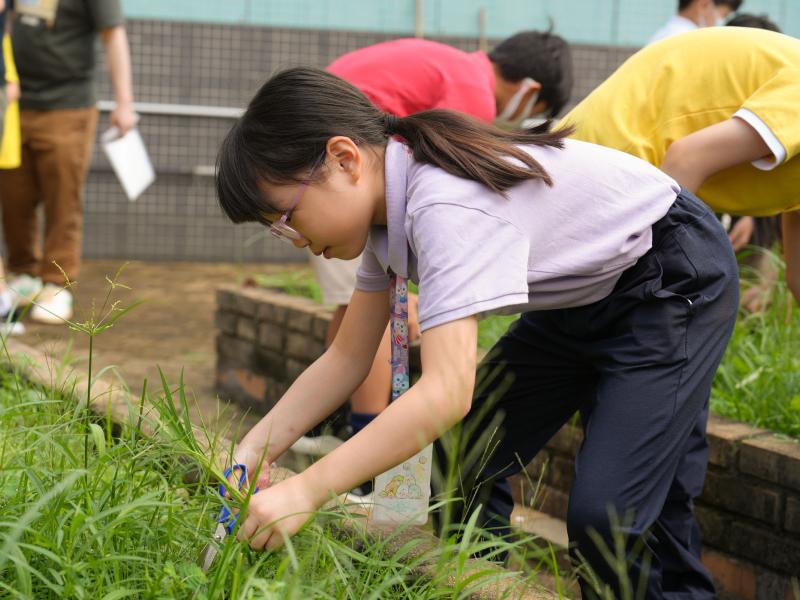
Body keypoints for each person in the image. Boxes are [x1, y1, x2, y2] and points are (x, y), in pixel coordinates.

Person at [215, 67, 738, 598]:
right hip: (587, 296)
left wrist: (307, 489)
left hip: (668, 280)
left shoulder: (442, 204)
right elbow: (347, 359)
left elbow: (446, 393)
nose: (292, 238)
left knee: (609, 519)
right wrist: (255, 447)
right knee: (467, 458)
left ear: (344, 158)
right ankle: (485, 587)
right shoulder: (383, 221)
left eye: (285, 216)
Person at [309, 32, 573, 455]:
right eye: (534, 112)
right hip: (334, 180)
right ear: (530, 90)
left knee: (352, 310)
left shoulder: (454, 64)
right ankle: (366, 450)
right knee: (376, 317)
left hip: (318, 161)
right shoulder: (473, 93)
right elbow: (448, 197)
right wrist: (416, 294)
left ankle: (338, 429)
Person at [560, 26, 800, 309]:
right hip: (616, 154)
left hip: (625, 172)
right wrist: (652, 283)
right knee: (695, 303)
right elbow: (687, 159)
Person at [0, 0, 137, 323]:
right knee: (12, 193)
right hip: (15, 101)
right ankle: (25, 273)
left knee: (62, 194)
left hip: (68, 103)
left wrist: (124, 103)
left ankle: (57, 283)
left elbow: (113, 35)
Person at [649, 0, 742, 44]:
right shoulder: (688, 39)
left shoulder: (665, 33)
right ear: (703, 4)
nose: (721, 21)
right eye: (724, 15)